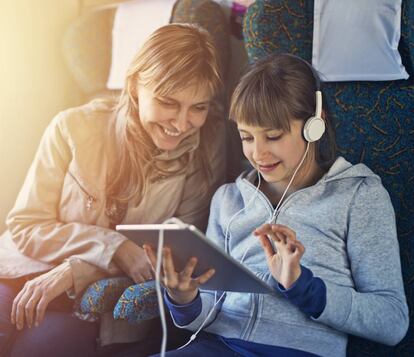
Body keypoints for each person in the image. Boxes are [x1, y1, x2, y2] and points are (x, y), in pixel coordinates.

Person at [146, 53, 409, 357]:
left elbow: (392, 322)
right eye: (246, 137)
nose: (258, 154)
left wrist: (303, 287)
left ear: (314, 125)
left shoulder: (359, 196)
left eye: (273, 136)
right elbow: (204, 315)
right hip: (216, 346)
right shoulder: (228, 200)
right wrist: (184, 298)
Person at [0, 23, 226, 357]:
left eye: (198, 107)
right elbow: (26, 225)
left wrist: (79, 269)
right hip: (20, 272)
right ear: (135, 87)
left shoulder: (206, 149)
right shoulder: (73, 127)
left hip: (97, 307)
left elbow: (176, 252)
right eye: (168, 102)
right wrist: (113, 246)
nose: (181, 123)